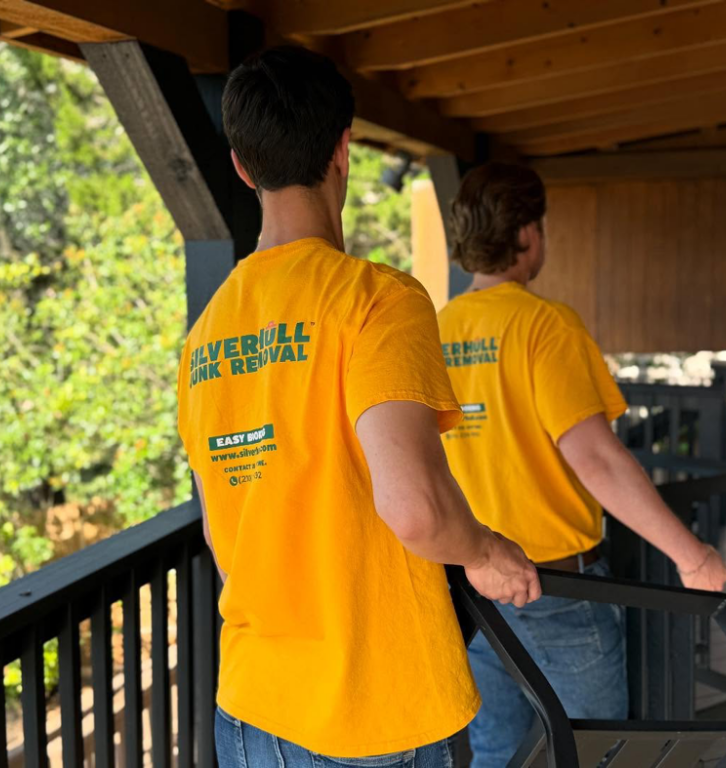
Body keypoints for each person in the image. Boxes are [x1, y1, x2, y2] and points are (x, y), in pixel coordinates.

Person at [176, 48, 541, 768]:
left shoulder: (206, 335)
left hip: (252, 704)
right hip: (376, 710)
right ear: (344, 149)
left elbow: (224, 537)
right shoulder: (376, 300)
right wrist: (489, 551)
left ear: (243, 167)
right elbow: (417, 511)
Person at [438, 162, 726, 768]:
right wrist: (692, 555)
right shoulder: (545, 326)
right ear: (527, 234)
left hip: (473, 584)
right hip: (556, 585)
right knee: (604, 754)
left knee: (498, 752)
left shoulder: (432, 333)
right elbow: (596, 457)